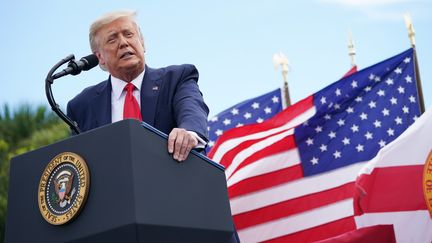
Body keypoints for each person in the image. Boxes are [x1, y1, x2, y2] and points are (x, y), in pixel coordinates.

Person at [67, 10, 209, 162]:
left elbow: (192, 111)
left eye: (128, 34)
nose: (123, 43)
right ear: (100, 57)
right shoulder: (82, 106)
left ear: (142, 43)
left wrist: (188, 132)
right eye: (112, 39)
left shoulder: (176, 78)